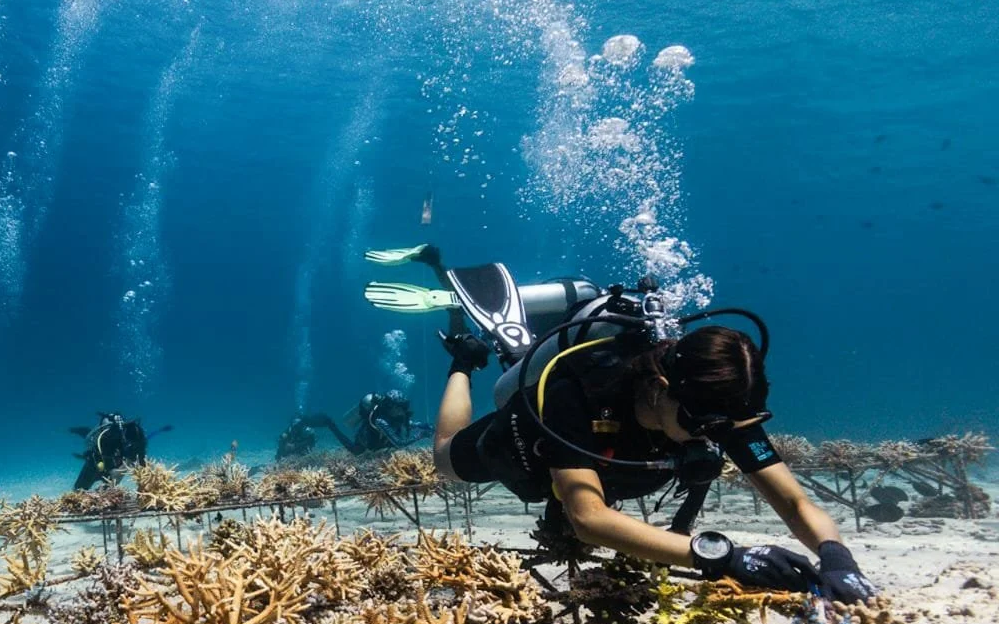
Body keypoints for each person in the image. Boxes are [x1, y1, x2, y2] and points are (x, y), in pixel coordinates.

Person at [365, 246, 875, 603]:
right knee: (445, 462)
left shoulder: (720, 406)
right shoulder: (580, 388)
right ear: (660, 384)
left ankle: (507, 348)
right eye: (698, 422)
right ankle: (467, 359)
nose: (707, 436)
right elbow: (588, 516)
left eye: (720, 427)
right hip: (531, 442)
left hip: (610, 456)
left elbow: (795, 501)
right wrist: (725, 557)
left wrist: (836, 557)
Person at [297, 392, 422, 456]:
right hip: (367, 441)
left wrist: (425, 426)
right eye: (401, 407)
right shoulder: (380, 420)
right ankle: (330, 423)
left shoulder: (394, 415)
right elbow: (399, 443)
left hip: (380, 441)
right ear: (392, 407)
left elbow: (407, 424)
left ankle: (329, 423)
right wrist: (421, 435)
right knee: (355, 451)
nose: (403, 410)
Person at [70, 413, 168, 490]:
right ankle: (80, 431)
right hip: (99, 457)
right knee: (79, 489)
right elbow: (108, 466)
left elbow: (142, 462)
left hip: (116, 457)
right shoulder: (110, 437)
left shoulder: (139, 439)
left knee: (112, 480)